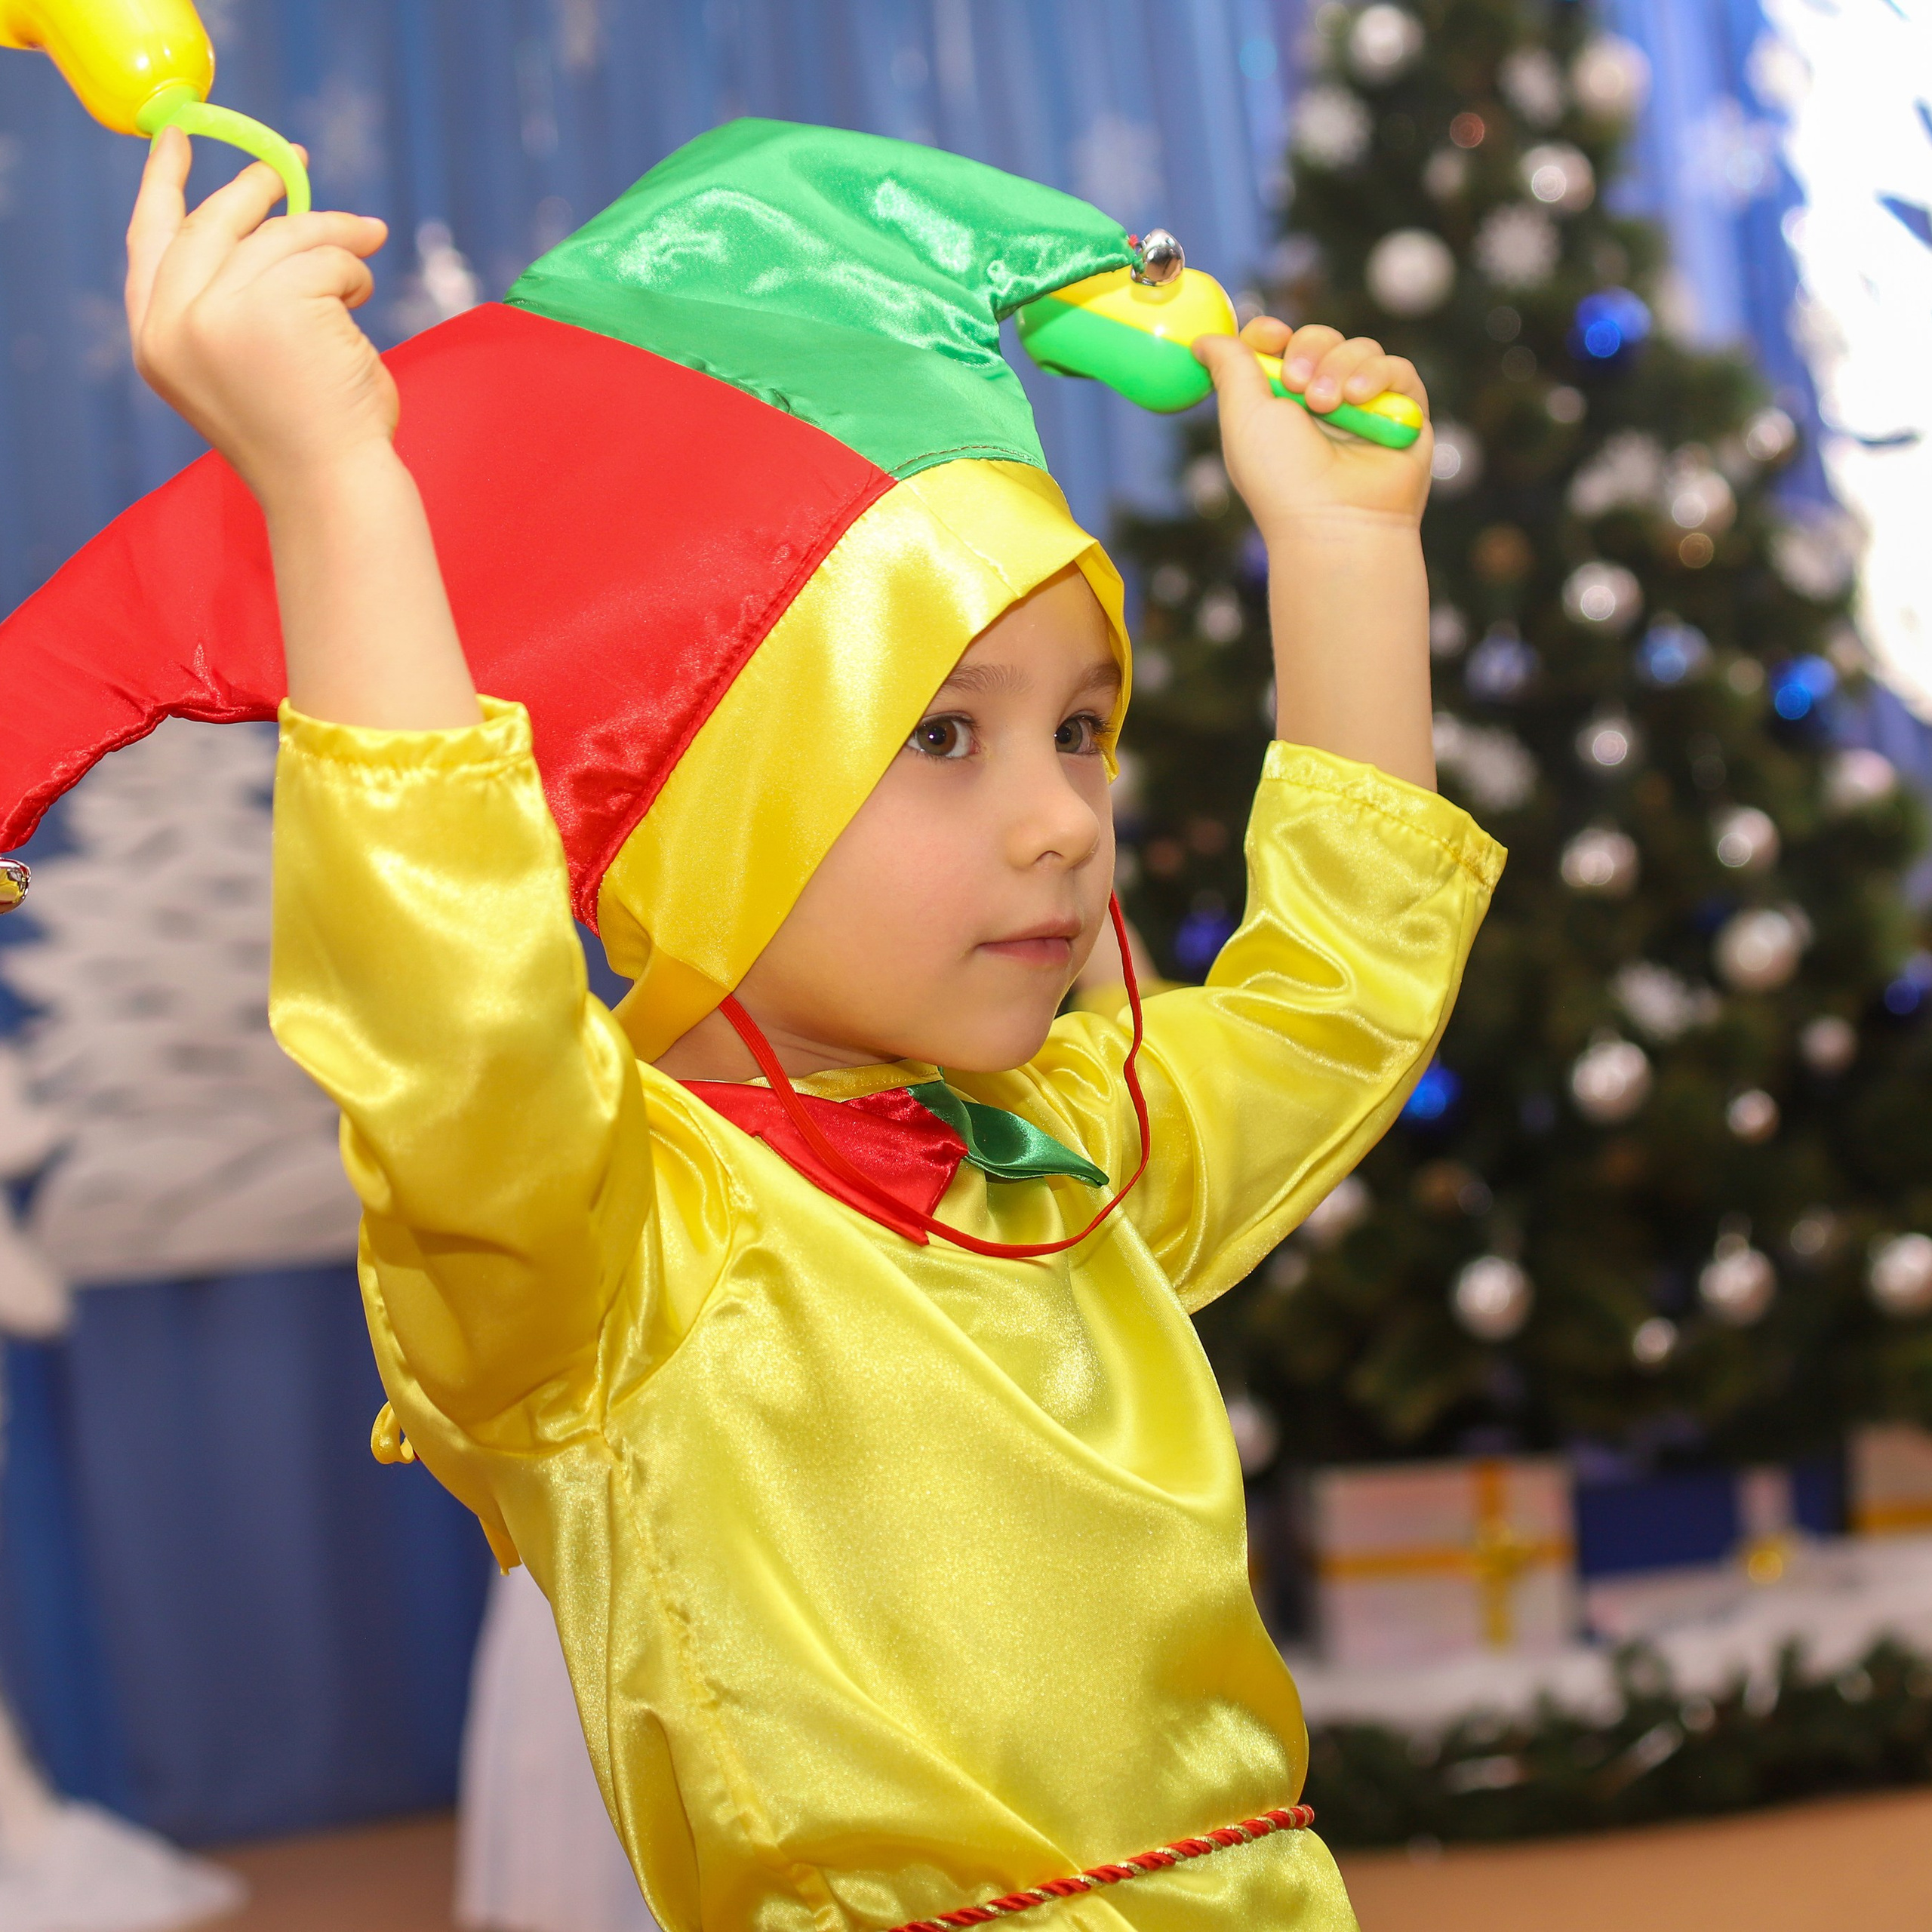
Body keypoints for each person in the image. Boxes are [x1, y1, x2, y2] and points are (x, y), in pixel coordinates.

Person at [8, 116, 1501, 1932]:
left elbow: (1338, 995)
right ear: (718, 800)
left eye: (1080, 727)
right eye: (940, 733)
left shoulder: (1064, 1156)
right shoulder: (606, 1249)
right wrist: (337, 491)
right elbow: (454, 1021)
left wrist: (1344, 552)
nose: (1059, 818)